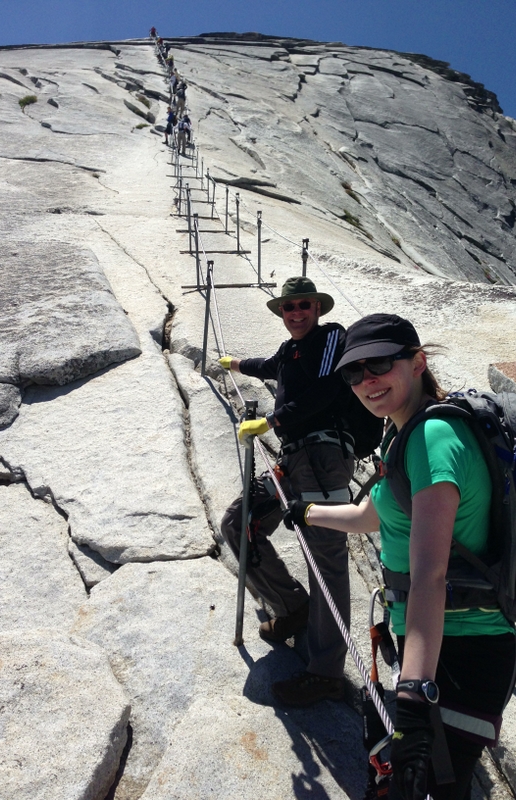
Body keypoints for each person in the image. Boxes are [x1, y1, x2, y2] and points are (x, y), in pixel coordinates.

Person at [284, 313, 516, 800]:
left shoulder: (433, 440)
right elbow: (370, 516)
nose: (366, 381)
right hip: (432, 645)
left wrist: (415, 692)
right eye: (353, 372)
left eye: (379, 365)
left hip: (460, 653)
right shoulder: (406, 432)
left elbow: (430, 575)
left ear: (417, 363)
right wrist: (306, 512)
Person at [220, 277, 362, 707]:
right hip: (293, 460)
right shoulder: (290, 350)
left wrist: (272, 422)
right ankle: (292, 606)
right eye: (289, 308)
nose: (296, 313)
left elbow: (324, 390)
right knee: (238, 521)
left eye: (304, 305)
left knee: (325, 560)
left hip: (323, 456)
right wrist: (234, 364)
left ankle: (325, 673)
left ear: (317, 308)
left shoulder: (331, 338)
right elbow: (268, 365)